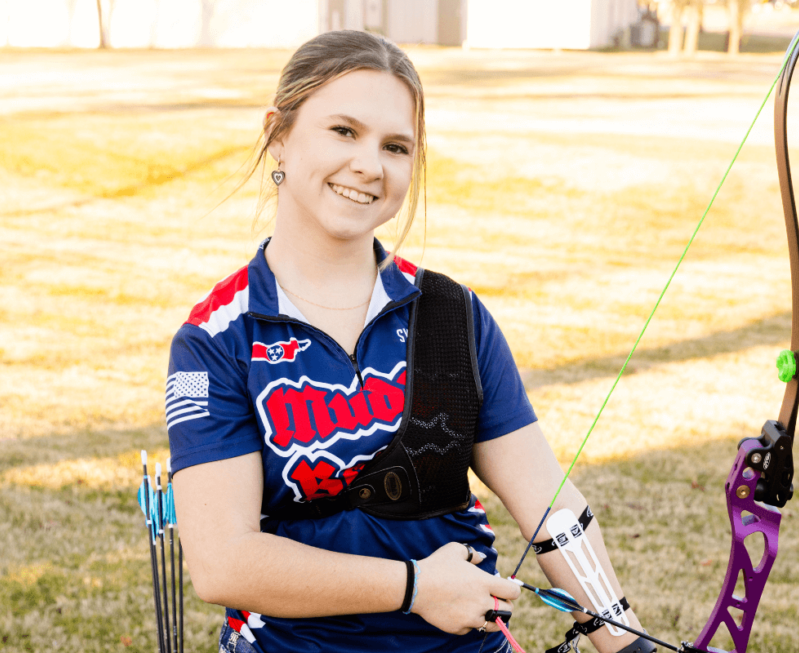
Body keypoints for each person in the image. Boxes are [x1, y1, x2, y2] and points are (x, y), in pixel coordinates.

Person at [167, 30, 650, 653]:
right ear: (279, 134)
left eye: (395, 146)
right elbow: (224, 563)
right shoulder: (216, 340)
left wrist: (622, 638)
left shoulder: (453, 315)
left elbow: (549, 506)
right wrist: (415, 587)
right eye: (344, 131)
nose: (370, 164)